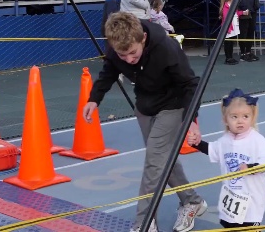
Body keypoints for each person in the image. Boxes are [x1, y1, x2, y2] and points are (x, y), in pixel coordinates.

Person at [83, 12, 207, 232]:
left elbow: (190, 84)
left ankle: (144, 222)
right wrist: (94, 98)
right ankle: (192, 201)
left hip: (172, 105)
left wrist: (192, 120)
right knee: (162, 162)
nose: (129, 59)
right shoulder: (117, 47)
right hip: (145, 106)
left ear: (142, 40)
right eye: (123, 55)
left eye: (133, 53)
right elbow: (109, 69)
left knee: (153, 164)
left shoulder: (166, 48)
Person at [188, 88, 265, 228]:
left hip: (251, 203)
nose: (240, 121)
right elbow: (212, 150)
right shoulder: (225, 140)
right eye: (234, 117)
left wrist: (250, 167)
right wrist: (196, 143)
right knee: (229, 227)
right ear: (225, 120)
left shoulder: (258, 141)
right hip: (230, 200)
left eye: (245, 116)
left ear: (252, 118)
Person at [219, 0, 248, 65]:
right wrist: (228, 28)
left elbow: (235, 13)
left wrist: (242, 13)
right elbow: (226, 18)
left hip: (233, 27)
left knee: (231, 43)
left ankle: (230, 57)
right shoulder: (226, 6)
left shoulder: (232, 5)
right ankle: (228, 58)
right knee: (228, 43)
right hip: (229, 28)